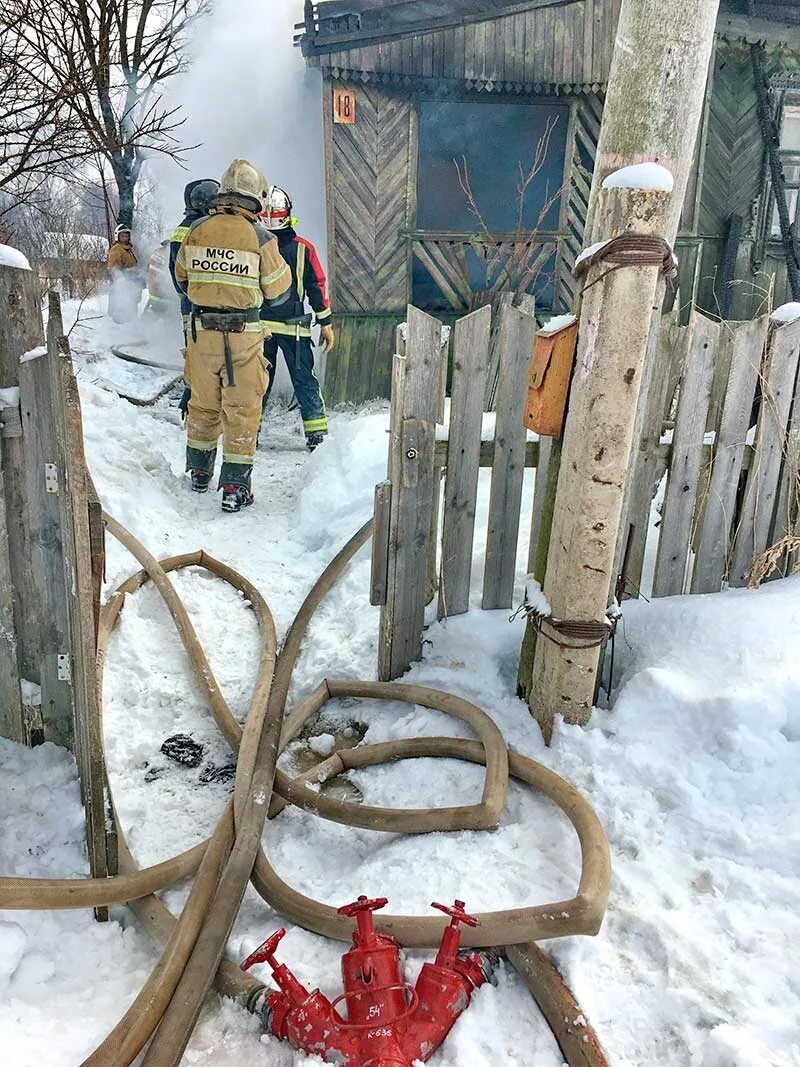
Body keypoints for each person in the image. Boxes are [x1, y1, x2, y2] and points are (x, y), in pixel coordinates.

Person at [174, 159, 292, 513]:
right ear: (256, 198)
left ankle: (199, 472)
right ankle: (234, 487)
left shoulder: (197, 229)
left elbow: (181, 279)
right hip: (242, 338)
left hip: (201, 337)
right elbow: (279, 292)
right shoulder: (261, 237)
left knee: (202, 404)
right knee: (241, 409)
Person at [259, 186, 334, 451]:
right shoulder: (303, 248)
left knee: (257, 383)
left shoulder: (253, 247)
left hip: (259, 328)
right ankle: (317, 437)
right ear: (288, 214)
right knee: (305, 381)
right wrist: (325, 323)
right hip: (295, 328)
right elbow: (316, 286)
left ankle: (248, 433)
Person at [169, 178, 221, 421]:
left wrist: (187, 295)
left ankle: (191, 400)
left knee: (194, 353)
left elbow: (175, 272)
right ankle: (194, 402)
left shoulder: (181, 229)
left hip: (188, 304)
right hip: (203, 304)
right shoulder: (203, 230)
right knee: (207, 354)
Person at [107, 224, 143, 323]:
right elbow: (114, 268)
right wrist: (121, 280)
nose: (125, 238)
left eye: (126, 236)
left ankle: (131, 322)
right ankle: (119, 324)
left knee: (132, 305)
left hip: (132, 282)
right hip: (122, 284)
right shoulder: (116, 249)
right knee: (122, 305)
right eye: (122, 236)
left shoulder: (128, 249)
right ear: (117, 236)